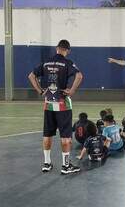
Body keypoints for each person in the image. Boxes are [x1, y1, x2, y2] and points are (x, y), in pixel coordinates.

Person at [28, 39, 83, 174]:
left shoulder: (46, 62)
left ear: (57, 48)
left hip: (48, 104)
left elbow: (31, 76)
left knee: (47, 134)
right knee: (65, 136)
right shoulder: (67, 63)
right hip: (63, 104)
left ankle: (47, 163)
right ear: (67, 51)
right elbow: (79, 76)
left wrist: (40, 91)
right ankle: (65, 166)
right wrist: (72, 90)